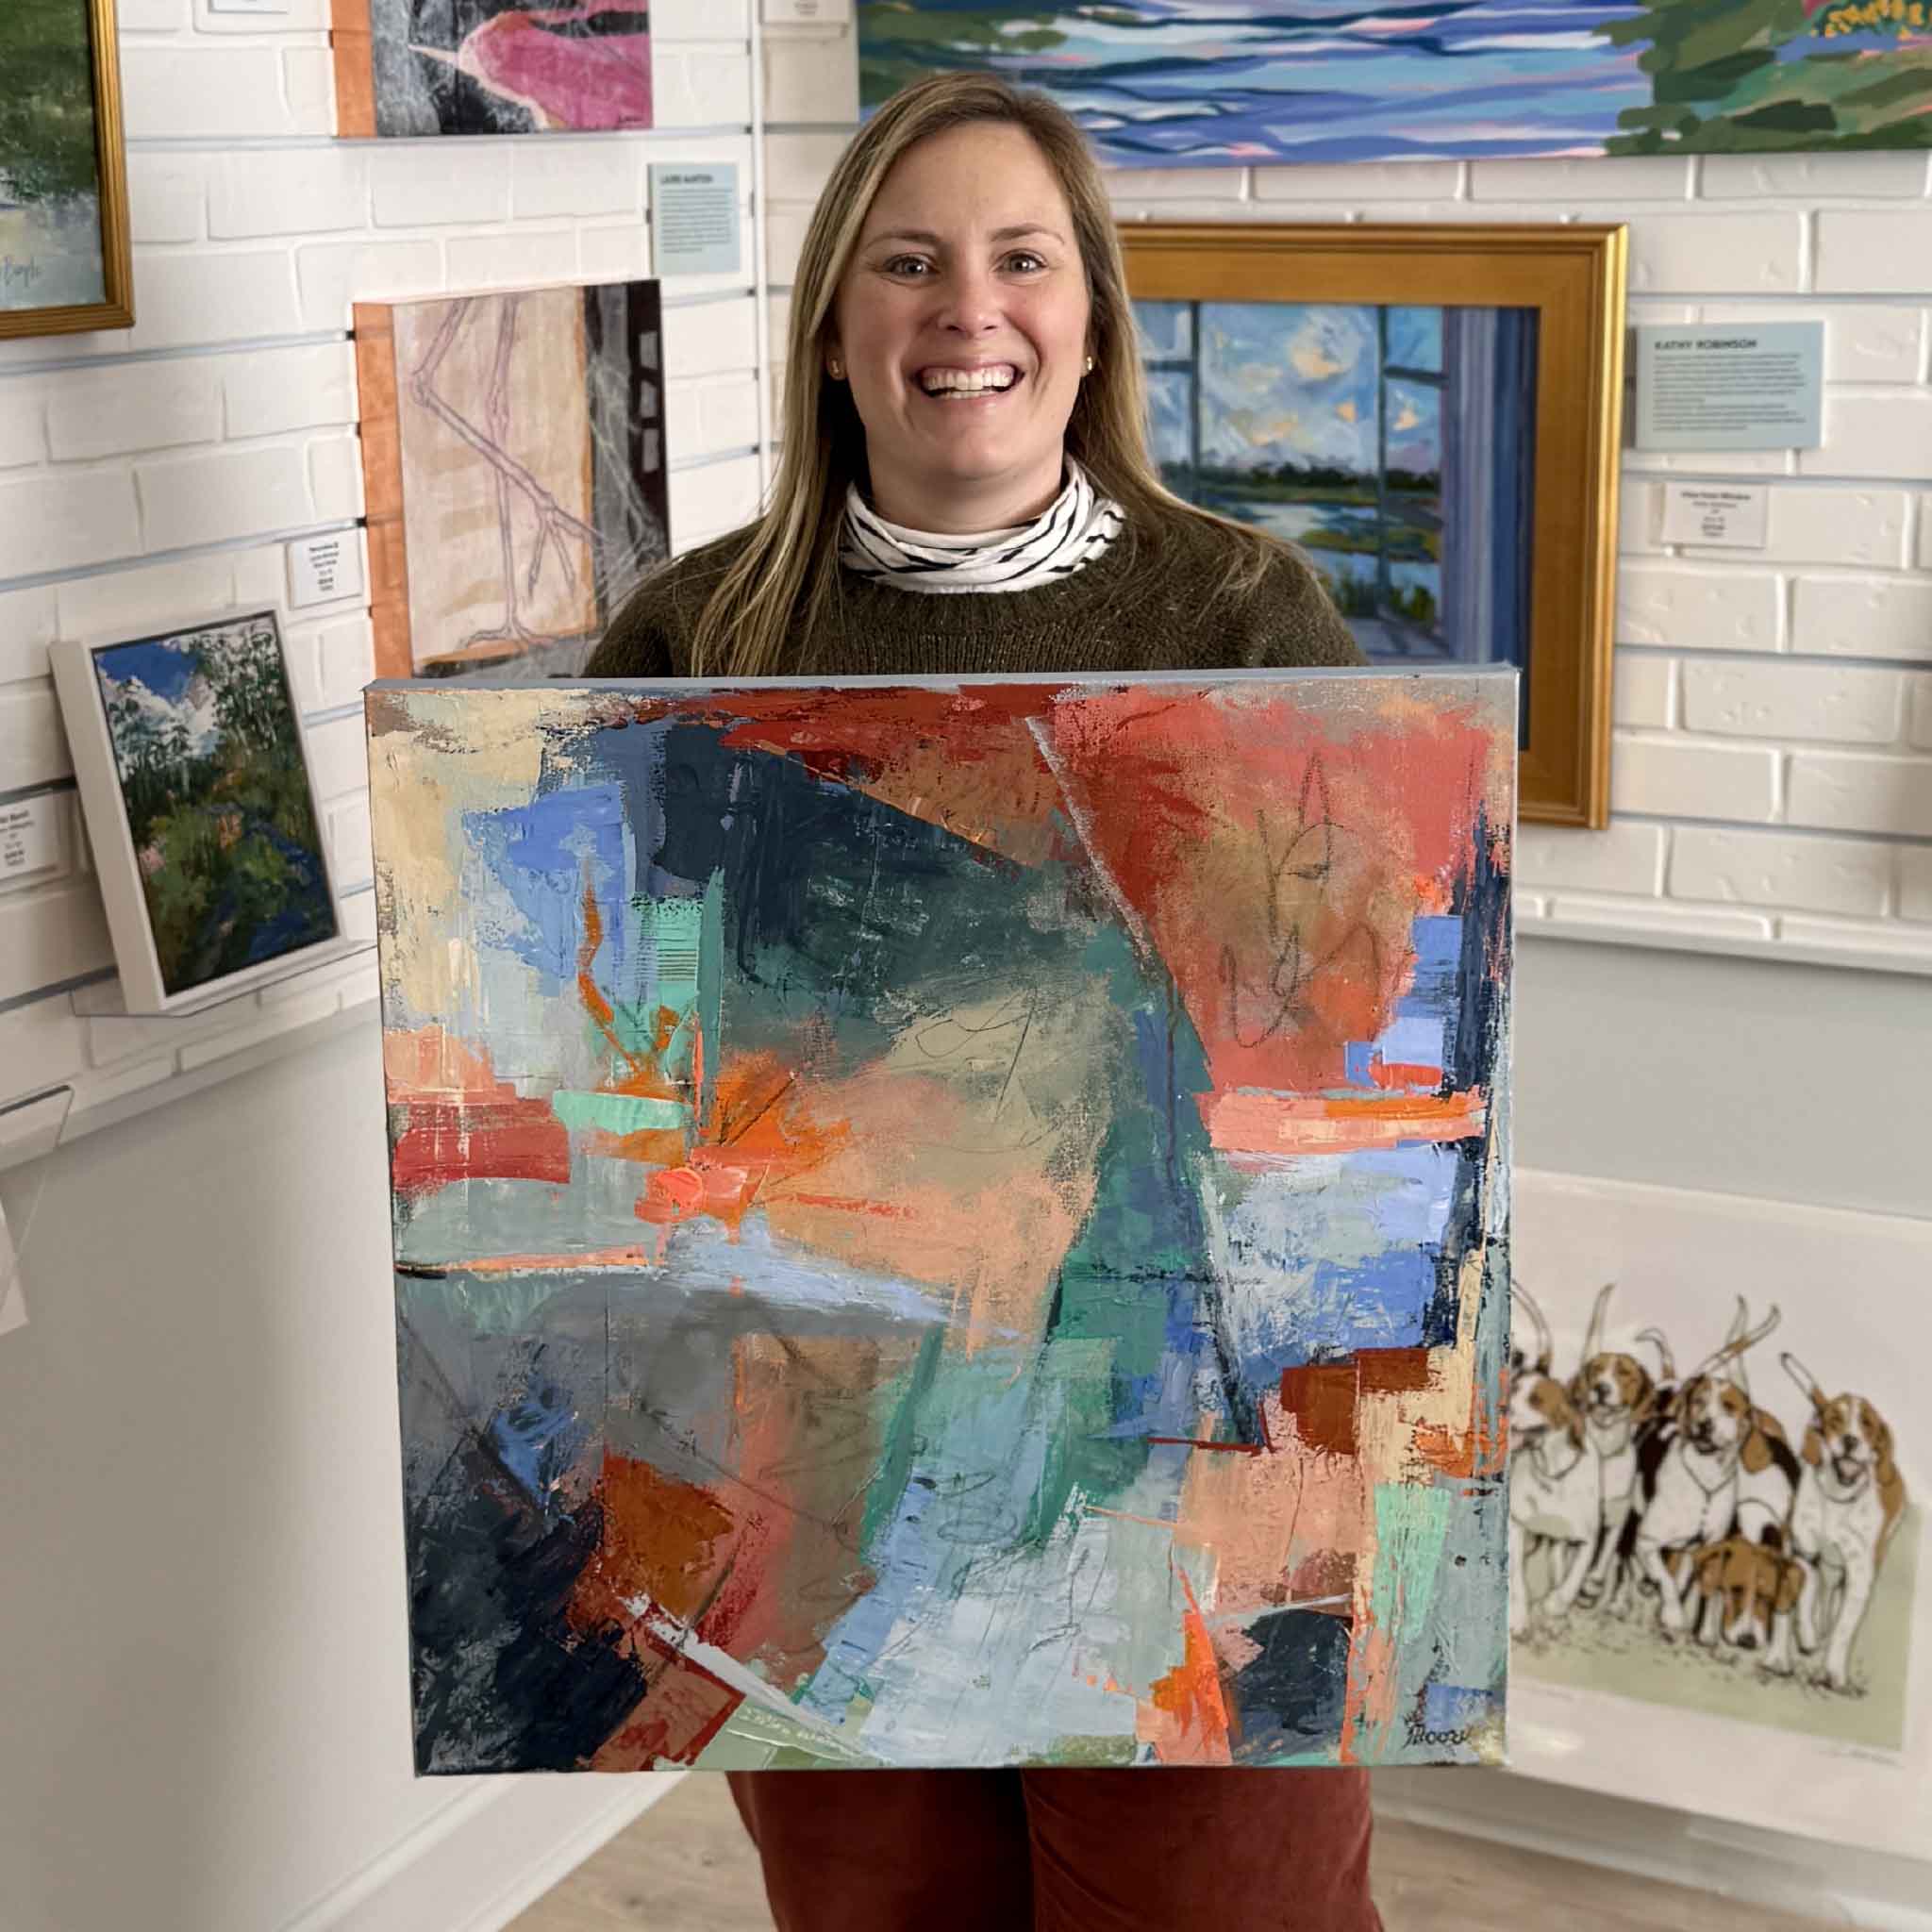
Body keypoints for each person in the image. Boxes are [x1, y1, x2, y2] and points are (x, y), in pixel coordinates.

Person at [587, 71, 1380, 1932]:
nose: (969, 312)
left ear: (1086, 317)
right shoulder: (695, 640)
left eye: (1021, 260)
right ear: (834, 328)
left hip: (1192, 1449)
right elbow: (604, 1048)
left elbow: (1353, 1042)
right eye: (910, 262)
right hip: (835, 1449)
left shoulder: (1245, 615)